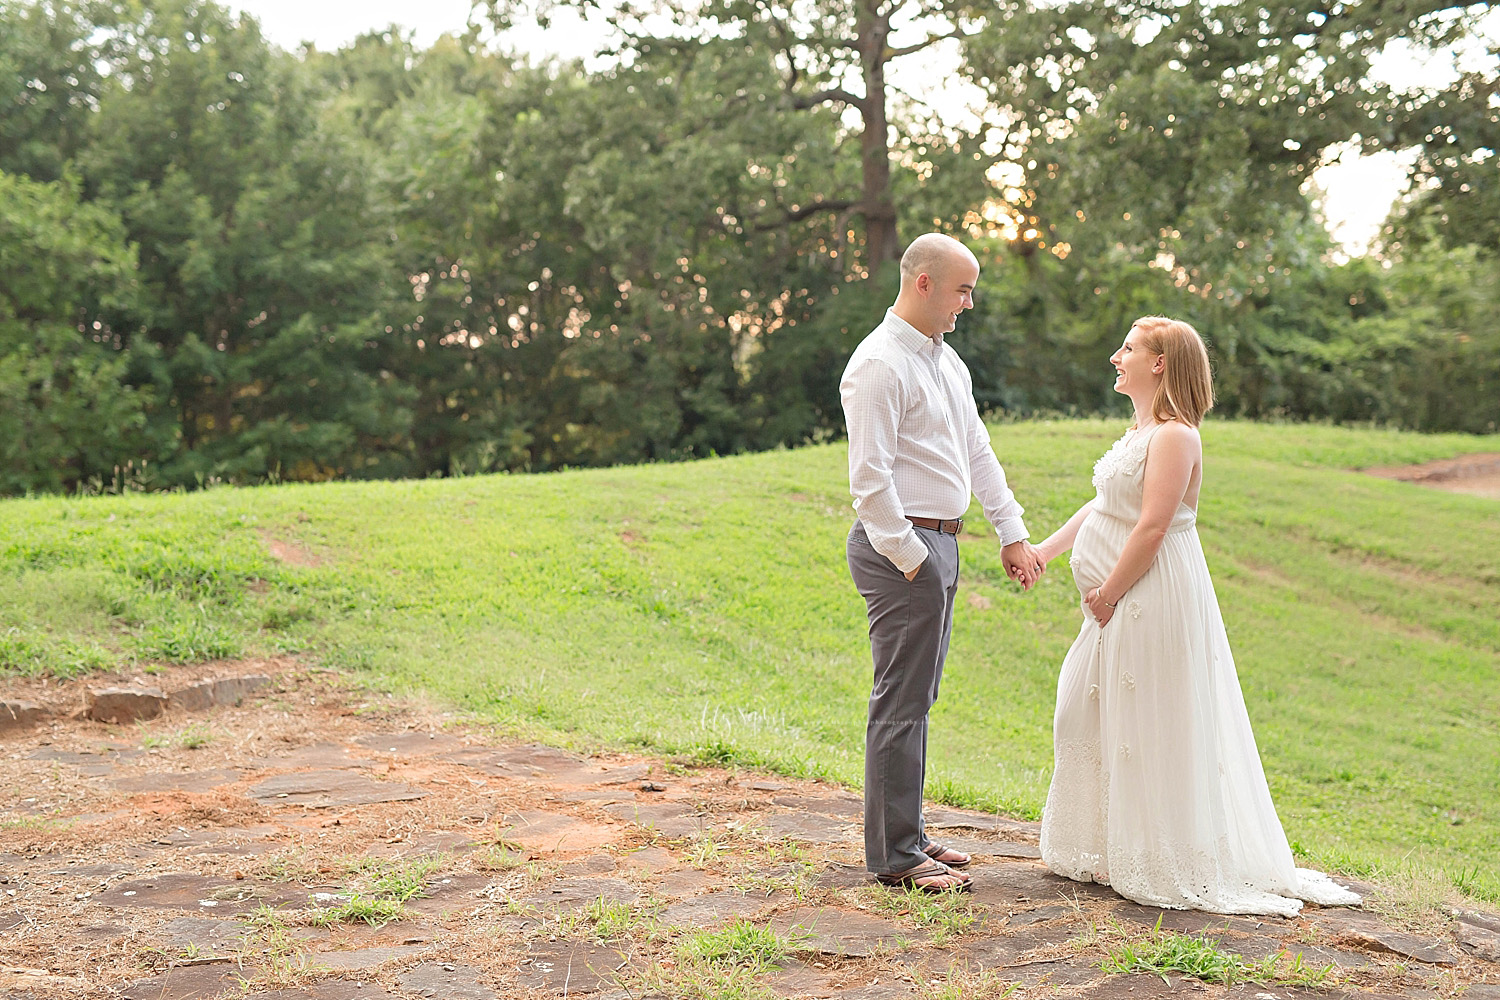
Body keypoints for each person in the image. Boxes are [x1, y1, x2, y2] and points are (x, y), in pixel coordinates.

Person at [1033, 316, 1360, 916]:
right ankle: (1109, 845)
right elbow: (1105, 505)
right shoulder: (1139, 432)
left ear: (1159, 363)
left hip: (1148, 594)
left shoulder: (1177, 436)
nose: (1116, 357)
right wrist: (1044, 553)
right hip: (1112, 603)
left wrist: (1108, 591)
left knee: (1147, 717)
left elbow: (1154, 525)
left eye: (1127, 349)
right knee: (1083, 709)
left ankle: (1157, 855)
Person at [841, 233, 1045, 895]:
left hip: (941, 544)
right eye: (962, 288)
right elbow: (870, 482)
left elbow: (977, 450)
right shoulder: (879, 364)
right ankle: (896, 857)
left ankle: (909, 832)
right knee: (900, 700)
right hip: (902, 549)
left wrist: (1010, 532)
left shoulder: (944, 362)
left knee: (917, 697)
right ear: (923, 282)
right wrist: (910, 559)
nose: (969, 302)